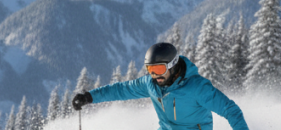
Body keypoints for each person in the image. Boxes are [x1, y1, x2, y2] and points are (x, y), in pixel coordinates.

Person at [71, 43, 250, 130]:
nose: (155, 75)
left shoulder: (196, 87)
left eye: (159, 69)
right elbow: (122, 90)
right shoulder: (151, 84)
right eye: (150, 70)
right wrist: (89, 97)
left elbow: (230, 110)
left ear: (172, 66)